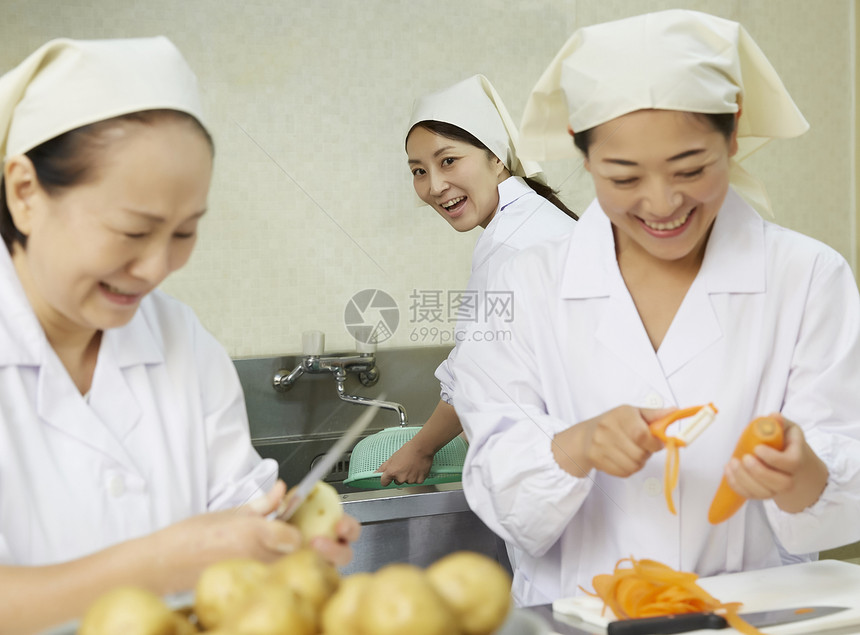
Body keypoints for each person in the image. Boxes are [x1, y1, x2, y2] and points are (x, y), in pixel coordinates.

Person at [451, 10, 860, 607]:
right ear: (583, 155)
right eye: (623, 176)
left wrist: (805, 474)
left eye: (690, 169)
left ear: (734, 134)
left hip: (752, 616)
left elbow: (842, 492)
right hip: (575, 616)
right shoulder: (522, 285)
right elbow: (501, 497)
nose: (662, 203)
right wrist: (577, 446)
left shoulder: (808, 277)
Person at [0, 37, 359, 633]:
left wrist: (287, 544)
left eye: (185, 232)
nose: (157, 267)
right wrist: (162, 562)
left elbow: (238, 518)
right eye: (133, 231)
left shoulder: (179, 340)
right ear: (25, 192)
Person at [378, 75, 578, 487]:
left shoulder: (512, 243)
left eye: (448, 161)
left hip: (557, 474)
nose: (434, 186)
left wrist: (420, 448)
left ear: (497, 157)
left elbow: (475, 373)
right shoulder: (533, 220)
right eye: (419, 170)